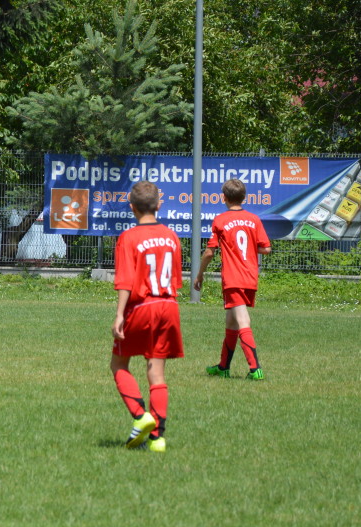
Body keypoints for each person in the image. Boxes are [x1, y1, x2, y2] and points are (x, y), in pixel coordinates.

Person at [110, 181, 183, 453]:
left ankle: (140, 416)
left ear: (132, 208)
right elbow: (176, 278)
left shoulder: (129, 237)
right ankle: (157, 439)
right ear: (159, 205)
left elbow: (126, 280)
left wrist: (119, 314)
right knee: (156, 371)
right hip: (169, 305)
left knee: (119, 364)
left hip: (142, 306)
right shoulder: (171, 236)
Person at [194, 178, 273, 380]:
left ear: (224, 198)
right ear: (244, 197)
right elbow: (266, 248)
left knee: (242, 320)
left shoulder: (220, 220)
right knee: (231, 322)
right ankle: (223, 367)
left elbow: (209, 252)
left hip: (233, 277)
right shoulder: (254, 219)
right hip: (250, 277)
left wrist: (200, 274)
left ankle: (255, 369)